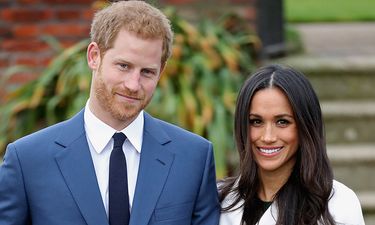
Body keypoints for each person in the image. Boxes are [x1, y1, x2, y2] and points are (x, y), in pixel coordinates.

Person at [0, 1, 220, 225]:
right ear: (94, 56)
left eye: (147, 72)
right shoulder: (27, 161)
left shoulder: (194, 158)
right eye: (124, 66)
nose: (133, 85)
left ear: (161, 71)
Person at [219, 64, 365, 225]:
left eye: (282, 122)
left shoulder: (339, 205)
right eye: (256, 121)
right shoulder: (219, 200)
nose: (268, 137)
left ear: (305, 126)